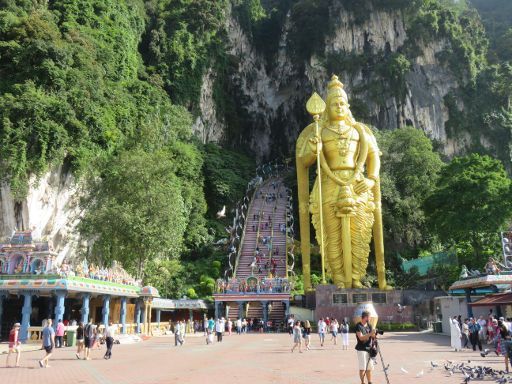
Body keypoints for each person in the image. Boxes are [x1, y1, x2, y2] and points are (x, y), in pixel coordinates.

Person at [355, 311, 376, 384]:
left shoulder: (369, 325)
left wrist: (374, 334)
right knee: (362, 368)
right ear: (366, 317)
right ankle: (362, 382)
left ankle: (370, 382)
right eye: (369, 317)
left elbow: (372, 336)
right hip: (361, 349)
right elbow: (361, 338)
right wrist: (370, 334)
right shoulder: (358, 326)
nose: (370, 318)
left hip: (369, 349)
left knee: (369, 367)